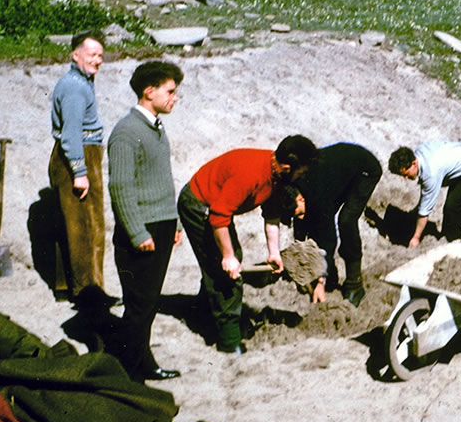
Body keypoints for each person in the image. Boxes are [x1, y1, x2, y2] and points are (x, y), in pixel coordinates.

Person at [177, 136, 317, 353]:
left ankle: (203, 313)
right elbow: (218, 217)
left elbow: (271, 216)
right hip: (199, 205)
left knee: (228, 260)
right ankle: (229, 341)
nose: (303, 176)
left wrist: (274, 254)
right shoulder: (251, 175)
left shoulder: (278, 176)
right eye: (302, 171)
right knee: (226, 273)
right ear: (289, 168)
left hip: (217, 208)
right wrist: (227, 257)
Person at [107, 61, 184, 382]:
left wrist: (175, 223)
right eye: (170, 91)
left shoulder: (154, 127)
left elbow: (161, 179)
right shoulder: (127, 132)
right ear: (148, 91)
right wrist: (137, 232)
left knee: (148, 303)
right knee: (140, 304)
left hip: (161, 225)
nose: (175, 98)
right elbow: (120, 187)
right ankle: (128, 373)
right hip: (142, 230)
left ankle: (143, 363)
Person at [48, 30, 114, 305]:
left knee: (72, 224)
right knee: (88, 226)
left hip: (78, 154)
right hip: (79, 155)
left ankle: (69, 287)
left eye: (100, 55)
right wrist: (80, 171)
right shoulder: (75, 87)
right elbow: (71, 133)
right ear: (75, 55)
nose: (97, 60)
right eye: (92, 54)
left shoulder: (79, 81)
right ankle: (90, 293)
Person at [292, 142, 381, 307]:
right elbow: (300, 227)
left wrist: (320, 281)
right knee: (311, 222)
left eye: (300, 211)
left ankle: (355, 284)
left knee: (346, 221)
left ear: (301, 198)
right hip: (337, 175)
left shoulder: (317, 195)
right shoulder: (294, 190)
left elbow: (328, 239)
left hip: (364, 170)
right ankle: (330, 276)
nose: (301, 216)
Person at [388, 140, 461, 247]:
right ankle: (447, 237)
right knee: (451, 205)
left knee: (453, 207)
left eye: (406, 174)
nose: (405, 178)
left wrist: (416, 237)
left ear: (414, 163)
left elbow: (425, 211)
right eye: (402, 175)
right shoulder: (419, 153)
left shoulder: (431, 173)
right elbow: (425, 192)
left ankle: (454, 242)